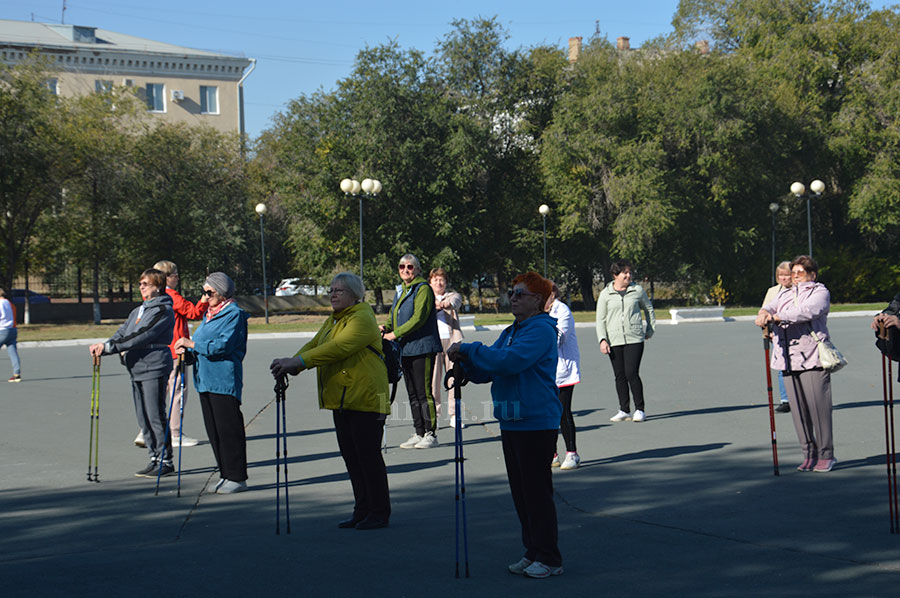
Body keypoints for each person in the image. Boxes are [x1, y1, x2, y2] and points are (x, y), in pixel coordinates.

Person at [448, 272, 564, 579]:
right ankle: (533, 550)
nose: (512, 297)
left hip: (536, 420)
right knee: (521, 493)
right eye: (512, 292)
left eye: (520, 294)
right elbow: (493, 365)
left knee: (537, 492)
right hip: (513, 419)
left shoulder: (540, 330)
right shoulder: (515, 329)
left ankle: (550, 557)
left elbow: (508, 362)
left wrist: (469, 349)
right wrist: (469, 368)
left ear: (538, 300)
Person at [270, 272, 391, 530]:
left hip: (366, 398)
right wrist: (291, 363)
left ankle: (379, 512)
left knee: (368, 457)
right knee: (351, 456)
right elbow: (315, 344)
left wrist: (299, 363)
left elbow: (339, 347)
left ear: (354, 295)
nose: (333, 294)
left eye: (339, 291)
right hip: (344, 399)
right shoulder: (335, 319)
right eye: (331, 290)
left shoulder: (362, 317)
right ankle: (362, 509)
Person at [89, 269, 175, 477]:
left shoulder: (163, 309)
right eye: (140, 283)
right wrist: (105, 345)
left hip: (154, 364)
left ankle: (166, 460)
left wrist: (110, 348)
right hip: (136, 365)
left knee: (155, 414)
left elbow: (142, 336)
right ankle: (154, 456)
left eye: (146, 283)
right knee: (143, 415)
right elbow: (123, 332)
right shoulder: (138, 310)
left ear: (158, 286)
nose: (142, 287)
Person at [756, 255, 837, 473]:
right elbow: (768, 307)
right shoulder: (785, 294)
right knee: (799, 411)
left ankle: (826, 454)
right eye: (793, 273)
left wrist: (777, 316)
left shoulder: (820, 292)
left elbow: (807, 311)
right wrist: (764, 314)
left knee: (818, 409)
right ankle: (808, 453)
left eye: (800, 272)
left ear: (812, 274)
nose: (796, 277)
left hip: (812, 357)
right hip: (787, 358)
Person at [174, 273, 250, 493]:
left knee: (229, 430)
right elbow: (201, 346)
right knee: (214, 431)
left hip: (223, 380)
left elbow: (222, 346)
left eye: (210, 292)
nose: (205, 298)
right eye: (204, 292)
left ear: (223, 292)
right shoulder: (209, 315)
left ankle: (237, 476)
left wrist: (191, 343)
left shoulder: (233, 314)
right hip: (205, 380)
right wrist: (187, 353)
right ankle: (225, 473)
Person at [381, 254, 442, 449]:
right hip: (405, 349)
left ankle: (430, 433)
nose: (405, 270)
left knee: (424, 391)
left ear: (417, 270)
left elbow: (418, 318)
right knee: (412, 393)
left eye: (410, 267)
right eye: (402, 267)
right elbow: (394, 315)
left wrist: (395, 334)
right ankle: (419, 432)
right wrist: (385, 328)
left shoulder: (422, 288)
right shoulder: (402, 290)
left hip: (422, 347)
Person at [150, 260, 208, 448]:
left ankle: (148, 430)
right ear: (167, 277)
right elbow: (193, 312)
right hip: (176, 349)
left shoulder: (153, 295)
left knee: (161, 391)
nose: (177, 278)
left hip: (161, 349)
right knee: (178, 391)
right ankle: (174, 433)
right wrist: (205, 299)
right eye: (175, 275)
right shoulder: (171, 295)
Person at [595, 259, 656, 422]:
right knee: (619, 375)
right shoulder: (605, 294)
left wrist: (650, 329)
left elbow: (648, 309)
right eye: (625, 273)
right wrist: (602, 339)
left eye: (630, 272)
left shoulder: (637, 290)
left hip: (634, 337)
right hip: (614, 339)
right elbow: (600, 319)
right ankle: (624, 409)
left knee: (631, 372)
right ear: (615, 275)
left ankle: (640, 409)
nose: (629, 275)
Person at [547, 284, 581, 470]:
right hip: (545, 372)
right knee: (547, 413)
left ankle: (572, 453)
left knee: (562, 411)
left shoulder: (563, 311)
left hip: (564, 371)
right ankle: (552, 454)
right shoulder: (538, 312)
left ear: (552, 294)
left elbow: (558, 339)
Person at [429, 268, 464, 428]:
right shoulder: (426, 298)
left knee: (453, 379)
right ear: (430, 282)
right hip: (433, 343)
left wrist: (445, 304)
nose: (439, 283)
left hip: (452, 343)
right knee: (434, 381)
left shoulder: (452, 296)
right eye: (435, 280)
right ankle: (434, 415)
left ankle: (454, 415)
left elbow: (456, 302)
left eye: (441, 280)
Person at [762, 261, 793, 413]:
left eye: (786, 275)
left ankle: (800, 398)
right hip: (777, 334)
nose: (783, 278)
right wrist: (766, 330)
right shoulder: (773, 291)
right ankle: (785, 399)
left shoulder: (799, 291)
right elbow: (764, 311)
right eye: (780, 275)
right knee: (782, 367)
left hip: (796, 335)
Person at [0, 288, 21, 383]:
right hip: (12, 330)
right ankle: (17, 374)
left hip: (2, 330)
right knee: (13, 352)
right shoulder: (9, 303)